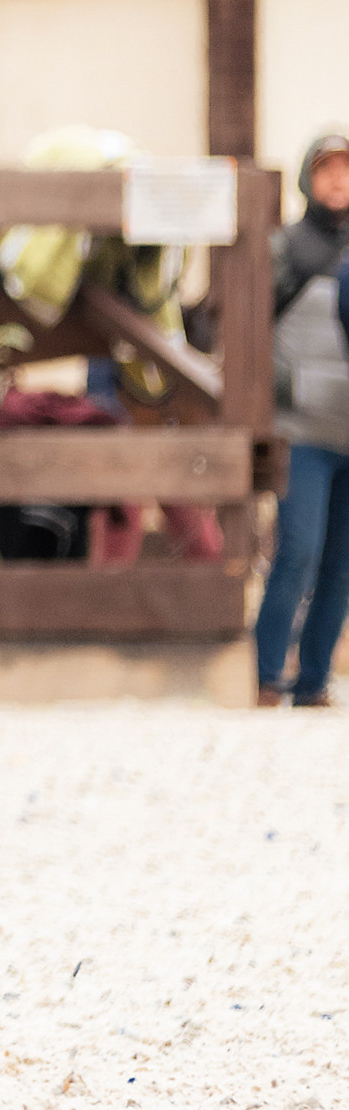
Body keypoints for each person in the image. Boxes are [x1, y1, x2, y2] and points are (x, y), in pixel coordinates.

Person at [254, 130, 349, 707]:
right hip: (302, 433)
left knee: (341, 567)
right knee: (298, 552)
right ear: (307, 179)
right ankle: (266, 676)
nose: (338, 180)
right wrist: (280, 389)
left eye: (347, 169)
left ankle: (313, 682)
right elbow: (246, 328)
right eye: (326, 169)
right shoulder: (285, 248)